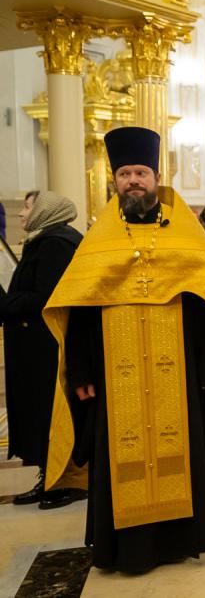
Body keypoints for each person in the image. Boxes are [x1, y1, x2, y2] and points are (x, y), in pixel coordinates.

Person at [42, 126, 205, 573]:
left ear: (156, 178)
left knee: (182, 451)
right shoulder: (99, 241)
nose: (133, 180)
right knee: (120, 455)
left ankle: (183, 538)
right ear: (115, 181)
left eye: (141, 173)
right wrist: (81, 371)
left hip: (178, 374)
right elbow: (80, 309)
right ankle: (128, 548)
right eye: (125, 173)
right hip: (116, 375)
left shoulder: (186, 235)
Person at [3, 191, 83, 508]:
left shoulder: (55, 244)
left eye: (28, 207)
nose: (22, 213)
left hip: (46, 346)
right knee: (41, 412)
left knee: (49, 412)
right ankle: (49, 476)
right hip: (36, 344)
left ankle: (63, 481)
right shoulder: (46, 240)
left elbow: (47, 297)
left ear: (45, 211)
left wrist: (7, 302)